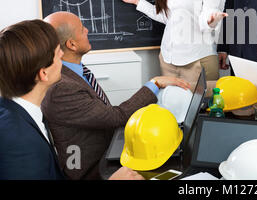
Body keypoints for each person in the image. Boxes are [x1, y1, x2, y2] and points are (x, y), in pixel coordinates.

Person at [41, 11, 190, 180]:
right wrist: (154, 83)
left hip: (107, 147)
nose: (88, 30)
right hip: (93, 169)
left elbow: (107, 114)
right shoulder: (62, 88)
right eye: (82, 29)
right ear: (72, 44)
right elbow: (115, 116)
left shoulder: (74, 72)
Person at [0, 19, 143, 180]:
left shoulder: (15, 111)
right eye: (57, 55)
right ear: (43, 74)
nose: (62, 54)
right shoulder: (21, 144)